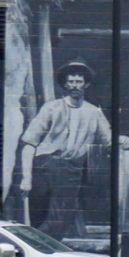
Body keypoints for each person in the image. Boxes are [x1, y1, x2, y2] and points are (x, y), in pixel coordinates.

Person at [17, 62, 112, 239]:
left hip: (70, 171)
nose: (75, 85)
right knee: (38, 215)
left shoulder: (94, 112)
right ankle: (36, 253)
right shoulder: (51, 108)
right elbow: (29, 143)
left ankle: (43, 248)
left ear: (86, 84)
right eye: (71, 81)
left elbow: (109, 141)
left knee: (61, 219)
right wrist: (27, 178)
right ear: (64, 84)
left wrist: (124, 140)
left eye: (79, 81)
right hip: (44, 166)